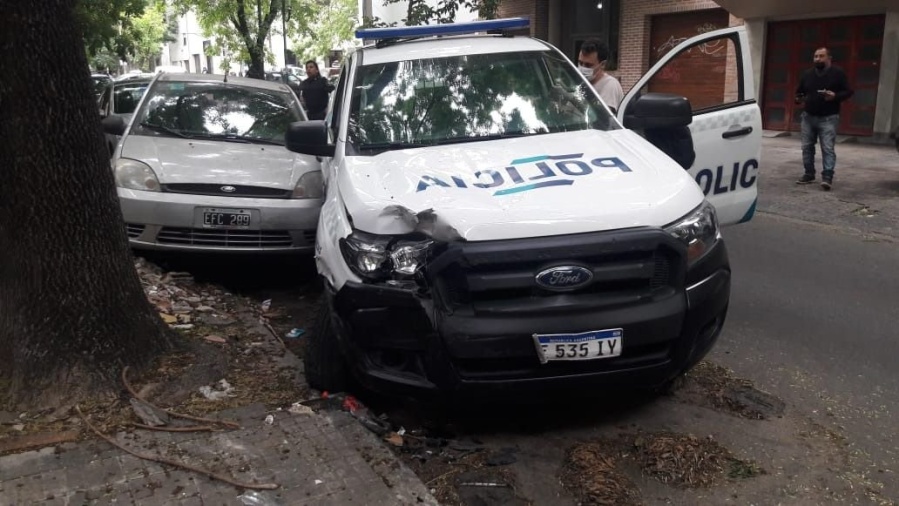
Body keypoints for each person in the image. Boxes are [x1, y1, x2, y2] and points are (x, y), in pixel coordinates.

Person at [794, 46, 853, 190]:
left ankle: (827, 176)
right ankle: (809, 173)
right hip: (808, 117)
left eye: (821, 56)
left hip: (828, 118)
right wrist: (799, 99)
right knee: (806, 147)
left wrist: (835, 96)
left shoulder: (837, 73)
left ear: (829, 58)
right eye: (815, 56)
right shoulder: (807, 74)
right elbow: (799, 93)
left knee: (827, 148)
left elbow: (849, 91)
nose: (818, 59)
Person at [577, 39, 624, 114]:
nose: (582, 68)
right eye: (580, 63)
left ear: (602, 64)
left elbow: (602, 117)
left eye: (588, 65)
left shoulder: (610, 85)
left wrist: (572, 100)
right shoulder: (583, 84)